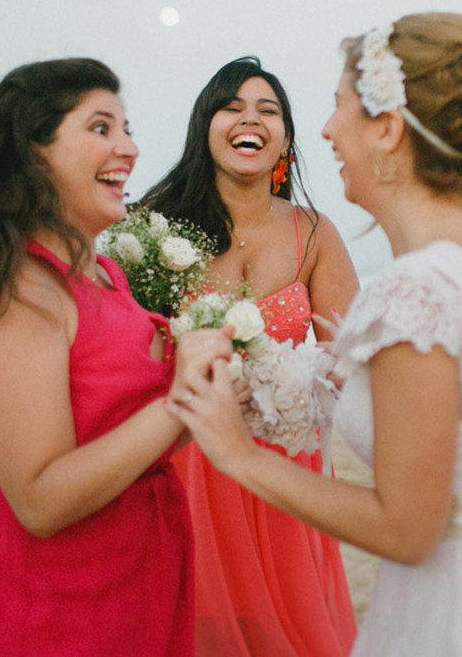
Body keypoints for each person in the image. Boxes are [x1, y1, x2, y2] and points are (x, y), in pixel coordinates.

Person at [164, 13, 462, 657]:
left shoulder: (416, 292)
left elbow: (408, 530)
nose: (324, 130)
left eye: (338, 107)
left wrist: (237, 454)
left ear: (385, 129)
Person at [0, 58, 236, 655]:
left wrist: (215, 391)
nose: (128, 147)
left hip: (132, 585)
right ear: (34, 154)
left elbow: (130, 432)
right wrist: (182, 399)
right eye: (101, 128)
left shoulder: (106, 275)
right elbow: (40, 498)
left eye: (127, 128)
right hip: (44, 606)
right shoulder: (21, 288)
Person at [139, 56, 360, 656]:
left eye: (268, 110)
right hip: (186, 455)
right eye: (231, 106)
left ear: (285, 138)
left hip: (288, 464)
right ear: (205, 126)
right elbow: (125, 352)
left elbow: (348, 358)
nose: (250, 119)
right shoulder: (155, 228)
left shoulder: (314, 233)